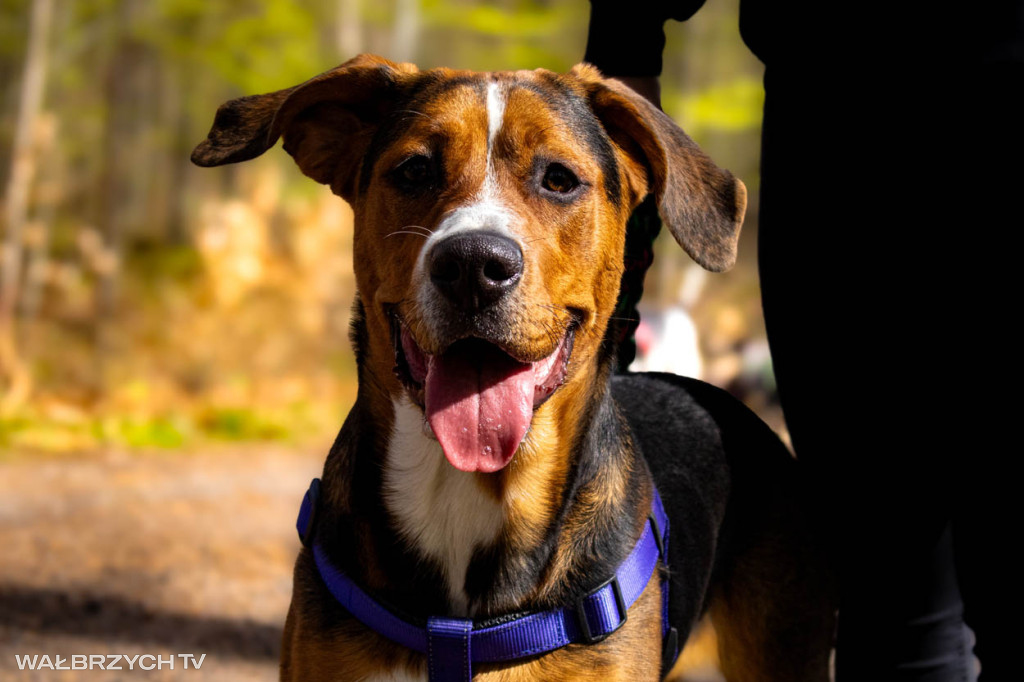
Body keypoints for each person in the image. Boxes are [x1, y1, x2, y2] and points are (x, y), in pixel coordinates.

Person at [585, 2, 1022, 680]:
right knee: (892, 592)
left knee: (904, 606)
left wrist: (626, 46)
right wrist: (623, 54)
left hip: (840, 120)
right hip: (838, 125)